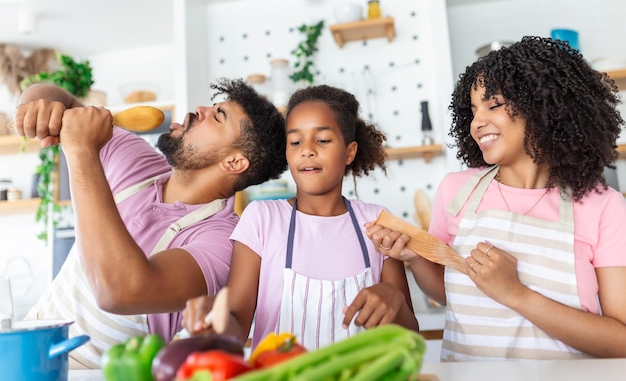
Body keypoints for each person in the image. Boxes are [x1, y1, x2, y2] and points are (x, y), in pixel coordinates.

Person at [366, 36, 626, 360]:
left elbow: (621, 340)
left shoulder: (603, 205)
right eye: (473, 110)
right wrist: (415, 258)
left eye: (493, 105)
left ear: (541, 106)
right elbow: (449, 293)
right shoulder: (458, 190)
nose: (477, 123)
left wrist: (516, 294)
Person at [13, 78, 287, 368]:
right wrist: (36, 103)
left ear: (234, 163)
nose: (200, 110)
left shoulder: (221, 243)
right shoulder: (136, 159)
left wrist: (81, 151)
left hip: (101, 373)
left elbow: (119, 292)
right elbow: (68, 106)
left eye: (218, 116)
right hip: (29, 349)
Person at [182, 85, 419, 351]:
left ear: (349, 152)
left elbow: (410, 335)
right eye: (295, 142)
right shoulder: (262, 218)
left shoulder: (377, 221)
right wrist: (216, 317)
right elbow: (237, 323)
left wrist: (395, 301)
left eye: (323, 140)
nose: (307, 150)